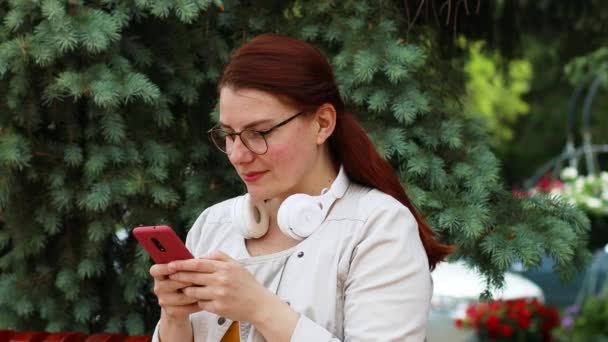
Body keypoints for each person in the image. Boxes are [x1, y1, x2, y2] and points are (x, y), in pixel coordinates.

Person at [149, 33, 452, 342]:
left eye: (259, 132)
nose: (239, 155)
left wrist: (261, 309)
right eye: (229, 134)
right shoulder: (214, 225)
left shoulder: (379, 228)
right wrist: (174, 317)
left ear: (322, 123)